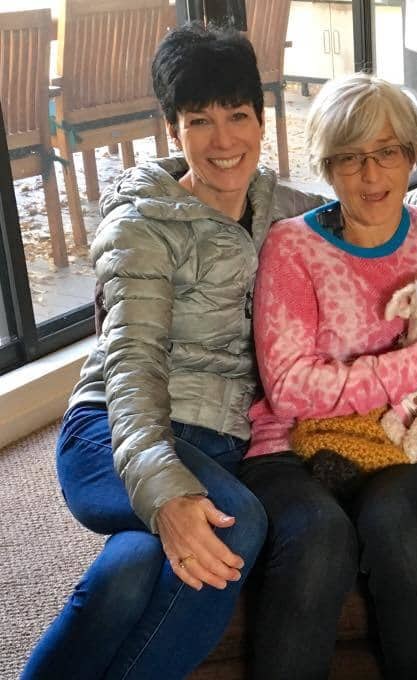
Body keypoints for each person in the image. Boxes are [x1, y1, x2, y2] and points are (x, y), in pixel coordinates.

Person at [21, 23, 333, 680]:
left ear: (261, 117)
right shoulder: (142, 227)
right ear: (174, 129)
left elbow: (356, 219)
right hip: (111, 432)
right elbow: (132, 373)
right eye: (200, 121)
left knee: (133, 568)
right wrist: (166, 496)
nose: (224, 141)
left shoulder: (275, 204)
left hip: (214, 441)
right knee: (234, 520)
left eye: (238, 116)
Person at [238, 72, 417, 680]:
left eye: (386, 153)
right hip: (291, 449)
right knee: (318, 540)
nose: (371, 175)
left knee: (402, 529)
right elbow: (292, 387)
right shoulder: (291, 247)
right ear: (327, 167)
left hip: (401, 448)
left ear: (411, 156)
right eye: (350, 159)